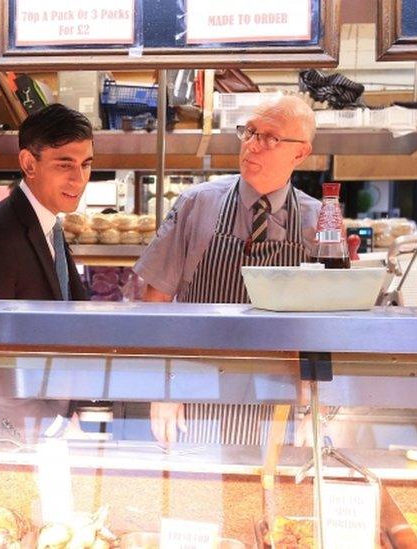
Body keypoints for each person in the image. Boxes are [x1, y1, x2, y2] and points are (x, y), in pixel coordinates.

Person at [132, 94, 320, 445]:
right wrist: (164, 387)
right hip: (196, 393)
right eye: (249, 132)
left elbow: (325, 326)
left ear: (301, 152)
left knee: (271, 494)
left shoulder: (318, 221)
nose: (253, 145)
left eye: (271, 138)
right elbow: (154, 303)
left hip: (280, 402)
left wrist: (316, 407)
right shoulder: (196, 205)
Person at [0, 103, 93, 439]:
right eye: (65, 164)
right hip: (7, 432)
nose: (79, 179)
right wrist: (48, 425)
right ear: (28, 163)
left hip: (47, 421)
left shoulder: (51, 227)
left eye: (86, 164)